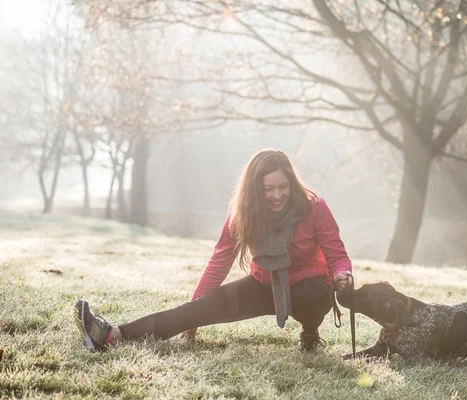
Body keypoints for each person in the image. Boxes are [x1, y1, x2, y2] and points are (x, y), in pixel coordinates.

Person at [75, 149, 353, 353]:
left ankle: (310, 333)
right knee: (192, 311)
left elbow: (336, 252)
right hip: (263, 285)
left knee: (315, 295)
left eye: (283, 187)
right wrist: (195, 310)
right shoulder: (244, 214)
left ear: (292, 183)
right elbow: (221, 260)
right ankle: (112, 334)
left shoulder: (314, 207)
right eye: (268, 189)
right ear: (256, 190)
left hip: (308, 288)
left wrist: (342, 273)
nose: (277, 195)